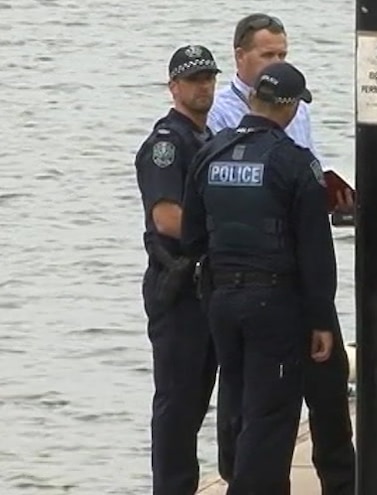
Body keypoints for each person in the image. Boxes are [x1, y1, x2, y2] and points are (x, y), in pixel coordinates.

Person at [205, 13, 356, 494]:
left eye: (282, 53)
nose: (275, 60)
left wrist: (333, 193)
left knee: (326, 390)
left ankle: (339, 482)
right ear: (241, 57)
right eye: (268, 53)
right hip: (264, 279)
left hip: (274, 278)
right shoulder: (219, 121)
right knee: (259, 404)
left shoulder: (294, 119)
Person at [134, 44, 221, 495]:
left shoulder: (207, 139)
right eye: (192, 79)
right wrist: (231, 232)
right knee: (178, 404)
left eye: (208, 78)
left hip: (207, 287)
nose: (202, 86)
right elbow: (166, 218)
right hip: (178, 288)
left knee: (199, 398)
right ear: (174, 87)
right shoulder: (167, 145)